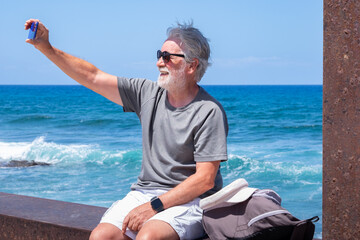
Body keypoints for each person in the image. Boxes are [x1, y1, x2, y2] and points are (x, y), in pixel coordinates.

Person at [25, 19, 228, 240]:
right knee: (101, 236)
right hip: (144, 194)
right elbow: (93, 77)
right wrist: (47, 48)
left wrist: (154, 207)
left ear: (191, 65)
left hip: (191, 200)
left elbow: (205, 180)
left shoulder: (209, 110)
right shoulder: (146, 93)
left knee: (149, 237)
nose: (160, 62)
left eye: (168, 57)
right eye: (159, 54)